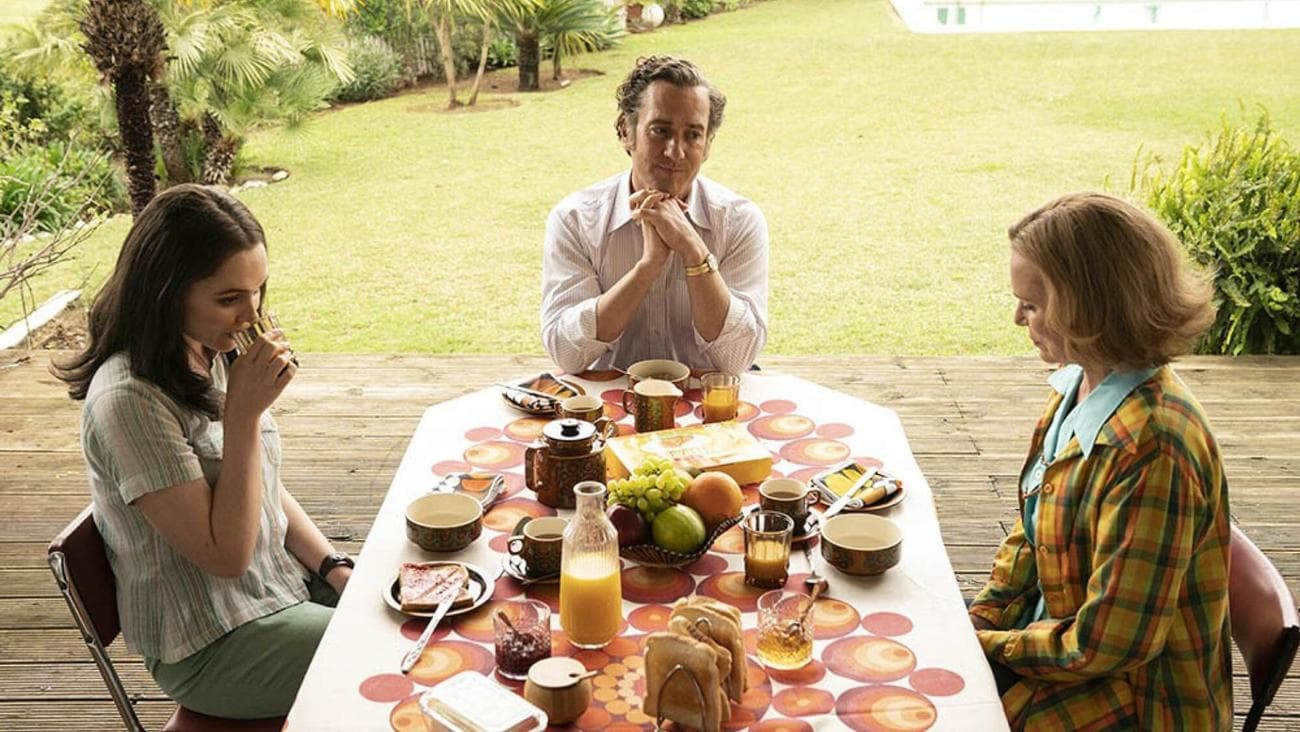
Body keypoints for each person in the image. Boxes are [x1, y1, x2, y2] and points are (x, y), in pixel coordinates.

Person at [53, 184, 351, 719]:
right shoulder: (129, 401)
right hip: (214, 643)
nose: (251, 314)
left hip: (282, 588)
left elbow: (263, 486)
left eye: (258, 291)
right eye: (229, 298)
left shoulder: (212, 352)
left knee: (423, 610)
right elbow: (226, 558)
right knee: (390, 655)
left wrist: (334, 567)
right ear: (165, 292)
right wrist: (243, 418)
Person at [968, 192, 1231, 730]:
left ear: (1088, 309)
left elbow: (1106, 645)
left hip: (1140, 700)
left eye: (1032, 305)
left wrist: (988, 647)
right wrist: (980, 619)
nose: (1017, 318)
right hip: (1059, 648)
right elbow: (1031, 531)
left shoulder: (1152, 450)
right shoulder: (1078, 386)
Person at [540, 55, 768, 374]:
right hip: (613, 399)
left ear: (708, 145)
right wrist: (648, 266)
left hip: (707, 401)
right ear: (626, 131)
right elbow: (566, 353)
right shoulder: (575, 219)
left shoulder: (739, 220)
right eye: (660, 130)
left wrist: (694, 251)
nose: (675, 152)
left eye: (693, 135)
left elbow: (737, 360)